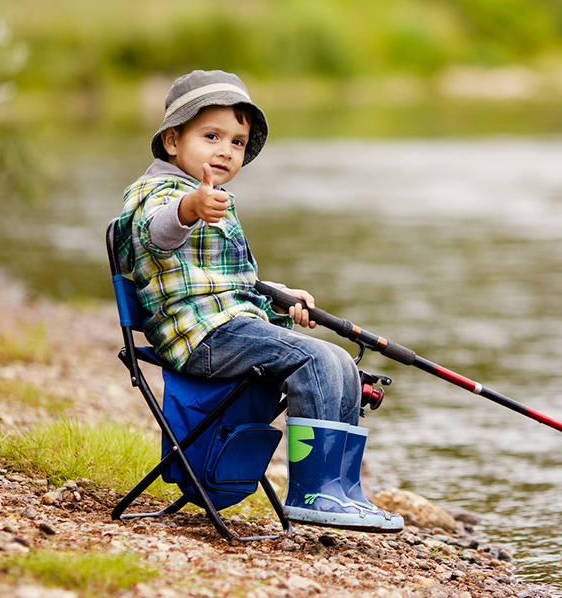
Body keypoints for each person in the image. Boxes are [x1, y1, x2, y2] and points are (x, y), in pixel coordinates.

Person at [114, 69, 402, 533]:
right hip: (199, 337)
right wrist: (191, 209)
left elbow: (231, 286)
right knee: (315, 361)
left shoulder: (218, 200)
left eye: (238, 142)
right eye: (211, 136)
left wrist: (277, 300)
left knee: (340, 362)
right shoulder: (157, 194)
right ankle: (314, 492)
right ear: (171, 141)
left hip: (228, 326)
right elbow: (156, 232)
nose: (226, 150)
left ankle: (343, 490)